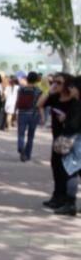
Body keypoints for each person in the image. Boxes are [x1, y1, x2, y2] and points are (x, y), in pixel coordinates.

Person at [38, 73, 73, 208]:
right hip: (57, 138)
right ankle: (57, 195)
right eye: (54, 82)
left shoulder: (74, 100)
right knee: (56, 167)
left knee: (67, 170)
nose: (56, 85)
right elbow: (39, 104)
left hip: (70, 139)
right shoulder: (55, 98)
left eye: (59, 83)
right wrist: (49, 90)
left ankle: (66, 198)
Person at [51, 76, 81, 215]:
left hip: (76, 141)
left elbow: (74, 125)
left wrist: (66, 120)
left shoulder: (78, 104)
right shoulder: (75, 102)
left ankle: (70, 203)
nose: (70, 89)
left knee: (71, 171)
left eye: (72, 87)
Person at [15, 71, 43, 161]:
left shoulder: (21, 89)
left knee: (21, 134)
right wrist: (42, 116)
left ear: (27, 79)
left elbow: (18, 101)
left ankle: (21, 148)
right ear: (36, 80)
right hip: (34, 115)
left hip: (22, 114)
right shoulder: (38, 91)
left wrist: (15, 111)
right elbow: (40, 105)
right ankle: (27, 154)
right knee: (31, 136)